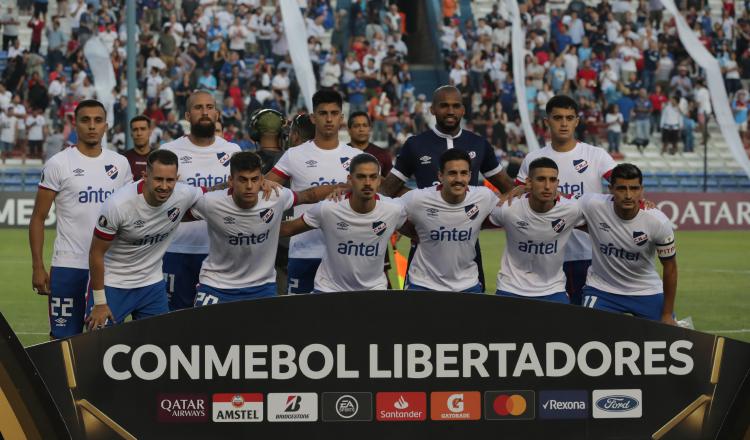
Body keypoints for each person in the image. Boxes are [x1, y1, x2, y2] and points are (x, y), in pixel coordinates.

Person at [379, 85, 514, 292]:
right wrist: (409, 219)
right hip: (425, 244)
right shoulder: (415, 144)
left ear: (463, 110)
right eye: (444, 106)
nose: (450, 111)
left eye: (455, 106)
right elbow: (387, 191)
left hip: (466, 247)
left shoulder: (478, 143)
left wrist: (483, 219)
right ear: (432, 109)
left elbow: (508, 188)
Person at [29, 99, 132, 338]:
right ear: (76, 125)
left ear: (106, 125)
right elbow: (38, 217)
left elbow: (129, 215)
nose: (92, 126)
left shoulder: (120, 164)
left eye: (98, 120)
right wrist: (37, 266)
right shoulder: (59, 163)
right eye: (86, 120)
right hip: (68, 266)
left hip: (110, 268)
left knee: (104, 342)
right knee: (63, 339)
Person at [190, 152, 333, 306]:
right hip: (217, 286)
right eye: (243, 180)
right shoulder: (211, 202)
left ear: (262, 180)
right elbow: (177, 213)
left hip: (262, 287)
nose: (249, 186)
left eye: (254, 179)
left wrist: (343, 188)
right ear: (231, 181)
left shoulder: (276, 197)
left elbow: (309, 195)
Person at [513, 95, 616, 306]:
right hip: (545, 254)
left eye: (569, 118)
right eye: (558, 118)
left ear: (577, 121)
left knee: (586, 318)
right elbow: (519, 198)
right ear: (546, 122)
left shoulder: (596, 155)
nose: (564, 123)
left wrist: (642, 204)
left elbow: (624, 186)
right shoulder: (533, 159)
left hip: (588, 253)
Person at [86, 150, 205, 329]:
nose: (164, 186)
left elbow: (216, 194)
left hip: (151, 285)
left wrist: (260, 183)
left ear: (177, 178)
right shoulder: (118, 205)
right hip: (114, 285)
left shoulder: (184, 194)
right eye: (158, 179)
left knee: (159, 347)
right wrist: (100, 302)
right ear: (145, 176)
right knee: (97, 346)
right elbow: (96, 253)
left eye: (170, 180)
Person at [265, 90, 361, 294]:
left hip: (345, 254)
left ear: (341, 118)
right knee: (300, 320)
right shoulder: (294, 155)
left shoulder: (357, 158)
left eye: (334, 113)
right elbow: (263, 188)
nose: (328, 119)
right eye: (323, 113)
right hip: (304, 251)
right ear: (313, 117)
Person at [159, 90, 242, 310]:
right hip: (177, 250)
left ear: (216, 113)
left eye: (209, 107)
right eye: (198, 108)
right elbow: (162, 201)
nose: (205, 112)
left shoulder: (233, 151)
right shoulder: (168, 151)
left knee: (217, 324)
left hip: (222, 252)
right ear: (187, 115)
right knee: (175, 320)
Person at [280, 154, 406, 292]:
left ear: (379, 181)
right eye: (361, 177)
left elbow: (421, 230)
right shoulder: (328, 208)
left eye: (373, 177)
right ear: (350, 180)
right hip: (329, 289)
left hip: (373, 289)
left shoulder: (394, 210)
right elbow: (287, 230)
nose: (368, 182)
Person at [579, 164, 677, 324]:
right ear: (610, 188)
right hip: (602, 289)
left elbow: (670, 267)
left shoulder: (658, 222)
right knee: (587, 332)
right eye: (621, 189)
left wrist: (667, 314)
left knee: (669, 339)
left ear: (642, 190)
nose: (628, 195)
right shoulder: (592, 205)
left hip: (645, 289)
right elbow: (561, 206)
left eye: (634, 189)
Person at [400, 149, 498, 293]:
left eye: (463, 173)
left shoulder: (484, 197)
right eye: (452, 173)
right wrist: (411, 232)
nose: (458, 179)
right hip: (423, 285)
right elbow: (387, 213)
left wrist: (521, 189)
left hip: (467, 285)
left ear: (470, 175)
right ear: (441, 175)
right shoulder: (418, 199)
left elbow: (510, 212)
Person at [489, 157, 584, 303]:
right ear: (528, 182)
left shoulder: (572, 209)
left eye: (552, 180)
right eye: (541, 179)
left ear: (557, 184)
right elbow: (476, 223)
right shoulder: (508, 208)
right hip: (510, 287)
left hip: (553, 289)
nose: (547, 186)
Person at [124, 115, 154, 181]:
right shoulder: (123, 159)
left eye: (143, 129)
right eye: (135, 130)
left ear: (150, 132)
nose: (139, 133)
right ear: (131, 133)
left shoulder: (159, 158)